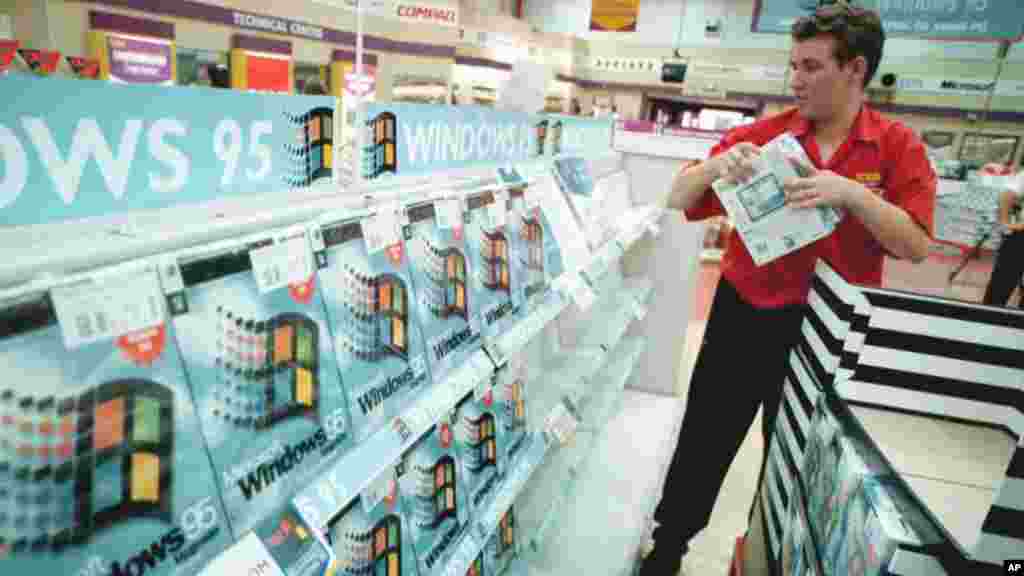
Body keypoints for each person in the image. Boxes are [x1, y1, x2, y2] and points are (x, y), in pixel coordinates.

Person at [640, 4, 935, 575]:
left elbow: (916, 244)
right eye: (793, 64)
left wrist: (852, 195)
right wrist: (718, 166)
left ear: (855, 69)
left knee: (797, 450)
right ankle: (669, 545)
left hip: (829, 329)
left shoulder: (897, 148)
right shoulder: (761, 136)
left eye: (811, 66)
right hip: (744, 312)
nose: (795, 79)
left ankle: (762, 552)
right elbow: (679, 199)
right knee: (706, 436)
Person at [981, 162, 1024, 307]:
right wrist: (1005, 222)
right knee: (1000, 287)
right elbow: (1007, 194)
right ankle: (986, 320)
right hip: (1020, 239)